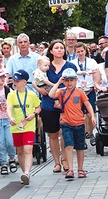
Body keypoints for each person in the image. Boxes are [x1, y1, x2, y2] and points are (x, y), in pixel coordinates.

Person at [33, 40, 77, 173]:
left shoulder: (70, 66)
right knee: (52, 134)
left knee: (65, 132)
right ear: (51, 51)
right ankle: (56, 162)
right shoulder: (46, 66)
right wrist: (39, 89)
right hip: (48, 103)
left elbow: (73, 84)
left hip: (65, 103)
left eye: (61, 48)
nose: (59, 50)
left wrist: (61, 98)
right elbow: (36, 79)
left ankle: (65, 159)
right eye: (56, 48)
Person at [48, 68, 96, 180]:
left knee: (80, 148)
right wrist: (58, 82)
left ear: (76, 80)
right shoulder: (61, 92)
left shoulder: (80, 92)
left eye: (71, 80)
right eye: (67, 80)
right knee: (68, 146)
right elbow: (51, 94)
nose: (69, 83)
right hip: (66, 123)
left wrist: (92, 116)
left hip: (79, 123)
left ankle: (80, 169)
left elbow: (88, 105)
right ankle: (70, 169)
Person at [6, 70, 41, 185]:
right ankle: (24, 173)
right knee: (20, 151)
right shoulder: (11, 94)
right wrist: (10, 117)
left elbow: (38, 107)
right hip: (16, 127)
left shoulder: (31, 94)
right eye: (14, 80)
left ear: (24, 82)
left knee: (28, 149)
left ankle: (27, 172)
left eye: (17, 81)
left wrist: (34, 114)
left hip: (28, 126)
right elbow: (9, 108)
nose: (14, 83)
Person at [71, 42, 100, 147]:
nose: (80, 53)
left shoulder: (92, 61)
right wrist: (83, 73)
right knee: (79, 115)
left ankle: (91, 133)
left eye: (82, 51)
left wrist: (96, 83)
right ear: (75, 52)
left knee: (90, 113)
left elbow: (96, 73)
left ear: (85, 51)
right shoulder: (73, 63)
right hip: (78, 90)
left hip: (89, 89)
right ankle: (81, 136)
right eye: (78, 52)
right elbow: (72, 74)